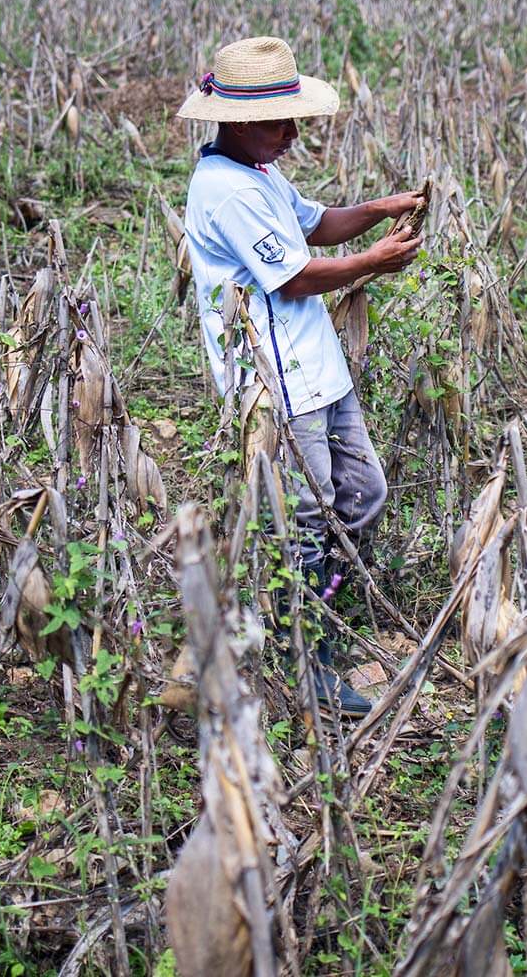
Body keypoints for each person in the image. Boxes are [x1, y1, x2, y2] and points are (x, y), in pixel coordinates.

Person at [177, 36, 423, 716]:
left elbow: (313, 226)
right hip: (276, 380)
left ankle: (322, 621)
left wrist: (377, 208)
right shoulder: (224, 190)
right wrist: (374, 261)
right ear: (233, 120)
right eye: (277, 123)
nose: (290, 135)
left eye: (293, 120)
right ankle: (305, 660)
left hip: (319, 370)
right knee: (307, 516)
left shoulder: (257, 170)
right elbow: (293, 275)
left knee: (363, 493)